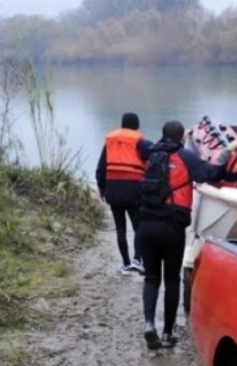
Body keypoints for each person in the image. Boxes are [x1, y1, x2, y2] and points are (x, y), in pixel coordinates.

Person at [139, 119, 229, 350]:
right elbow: (210, 174)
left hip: (146, 226)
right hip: (172, 227)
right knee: (170, 280)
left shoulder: (149, 153)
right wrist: (225, 156)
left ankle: (149, 323)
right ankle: (168, 333)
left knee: (151, 278)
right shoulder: (186, 157)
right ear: (182, 138)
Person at [96, 112, 152, 276]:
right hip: (134, 190)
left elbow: (100, 169)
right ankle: (137, 260)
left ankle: (126, 264)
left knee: (120, 229)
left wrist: (102, 189)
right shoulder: (140, 141)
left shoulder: (110, 142)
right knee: (138, 227)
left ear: (122, 125)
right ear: (137, 126)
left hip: (113, 191)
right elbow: (155, 162)